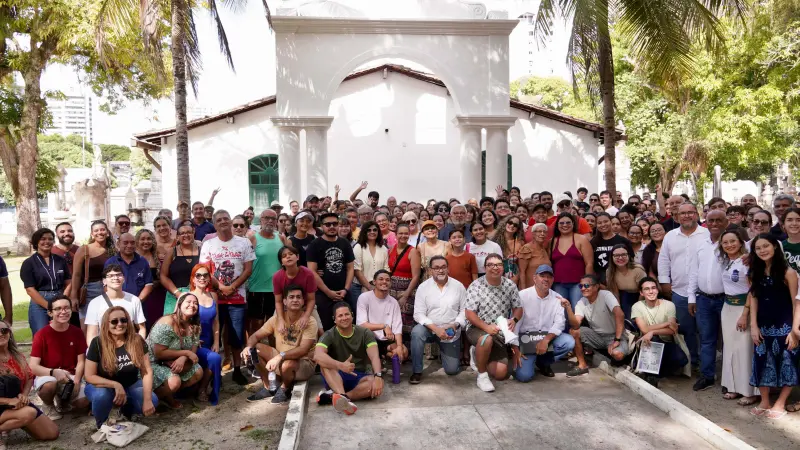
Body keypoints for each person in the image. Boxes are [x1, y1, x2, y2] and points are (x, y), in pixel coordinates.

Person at [199, 210, 255, 386]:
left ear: (230, 221)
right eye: (219, 220)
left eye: (226, 219)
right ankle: (213, 373)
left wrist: (233, 287)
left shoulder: (244, 242)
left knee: (237, 335)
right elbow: (205, 270)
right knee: (212, 335)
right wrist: (222, 287)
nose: (223, 222)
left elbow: (248, 269)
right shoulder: (208, 245)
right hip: (214, 298)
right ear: (214, 224)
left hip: (237, 299)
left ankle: (237, 370)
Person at [747, 234, 799, 419]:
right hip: (763, 327)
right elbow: (754, 299)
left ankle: (780, 403)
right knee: (760, 361)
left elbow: (795, 303)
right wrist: (753, 325)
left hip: (785, 326)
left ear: (775, 247)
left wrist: (794, 330)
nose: (762, 250)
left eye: (766, 246)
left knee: (788, 363)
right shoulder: (754, 272)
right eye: (758, 248)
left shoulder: (788, 272)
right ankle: (764, 401)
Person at [243, 284, 318, 404]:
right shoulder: (277, 319)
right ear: (284, 301)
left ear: (303, 301)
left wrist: (279, 356)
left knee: (287, 365)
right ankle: (269, 387)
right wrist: (247, 347)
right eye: (291, 297)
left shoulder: (310, 321)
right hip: (281, 358)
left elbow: (303, 350)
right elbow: (255, 336)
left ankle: (285, 388)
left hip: (303, 363)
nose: (295, 300)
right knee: (255, 349)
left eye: (298, 297)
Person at [84, 307, 157, 428]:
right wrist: (115, 385)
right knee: (101, 396)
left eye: (123, 320)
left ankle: (126, 412)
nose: (120, 324)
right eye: (114, 321)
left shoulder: (136, 340)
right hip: (102, 386)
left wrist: (147, 400)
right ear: (106, 324)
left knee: (152, 399)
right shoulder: (97, 342)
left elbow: (147, 371)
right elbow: (89, 375)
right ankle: (102, 424)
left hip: (130, 384)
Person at [658, 202, 709, 369]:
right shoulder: (670, 236)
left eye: (690, 212)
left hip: (703, 292)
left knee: (705, 331)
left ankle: (706, 365)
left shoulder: (707, 234)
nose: (687, 216)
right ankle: (691, 362)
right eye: (683, 213)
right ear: (676, 217)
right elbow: (664, 260)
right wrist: (664, 281)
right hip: (679, 291)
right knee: (686, 330)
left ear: (696, 214)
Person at [465, 253, 523, 392]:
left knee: (500, 374)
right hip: (477, 327)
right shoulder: (476, 285)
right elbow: (469, 314)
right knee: (486, 339)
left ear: (503, 267)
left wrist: (514, 320)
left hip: (499, 330)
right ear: (485, 268)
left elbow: (518, 308)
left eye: (498, 264)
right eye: (490, 265)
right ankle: (482, 376)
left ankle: (479, 354)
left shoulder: (510, 285)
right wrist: (486, 327)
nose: (495, 268)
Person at [314, 302, 384, 415]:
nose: (344, 318)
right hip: (336, 376)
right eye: (340, 316)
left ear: (352, 315)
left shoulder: (365, 333)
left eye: (347, 314)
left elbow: (374, 356)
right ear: (334, 319)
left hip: (358, 376)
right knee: (325, 364)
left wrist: (378, 376)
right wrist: (340, 365)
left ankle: (339, 398)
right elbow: (317, 356)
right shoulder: (329, 334)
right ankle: (341, 395)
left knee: (374, 383)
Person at [685, 209, 728, 392]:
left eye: (719, 220)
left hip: (726, 300)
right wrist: (691, 297)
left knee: (728, 341)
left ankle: (729, 380)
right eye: (711, 220)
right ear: (706, 222)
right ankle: (707, 376)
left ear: (726, 223)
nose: (715, 224)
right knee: (706, 339)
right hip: (703, 299)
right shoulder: (701, 245)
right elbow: (694, 272)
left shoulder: (731, 243)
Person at [29, 294, 89, 421]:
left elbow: (81, 361)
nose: (63, 312)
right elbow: (33, 366)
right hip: (48, 375)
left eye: (66, 308)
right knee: (50, 385)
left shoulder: (77, 332)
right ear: (50, 313)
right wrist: (53, 372)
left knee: (83, 402)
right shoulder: (41, 334)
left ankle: (63, 401)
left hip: (70, 376)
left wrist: (77, 380)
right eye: (58, 309)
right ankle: (48, 405)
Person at [511, 264, 576, 382]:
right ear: (534, 278)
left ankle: (543, 362)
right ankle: (531, 360)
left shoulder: (557, 298)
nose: (546, 279)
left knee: (568, 342)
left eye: (549, 277)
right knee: (524, 376)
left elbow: (560, 323)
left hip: (547, 339)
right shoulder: (522, 296)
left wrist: (546, 340)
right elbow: (515, 324)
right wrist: (515, 348)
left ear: (553, 280)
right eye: (542, 276)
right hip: (526, 340)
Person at [0, 318, 60, 444]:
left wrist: (24, 395)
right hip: (4, 403)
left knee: (52, 433)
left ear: (9, 333)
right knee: (29, 413)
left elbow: (29, 378)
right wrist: (9, 401)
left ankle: (14, 422)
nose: (1, 334)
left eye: (4, 330)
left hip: (17, 403)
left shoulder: (17, 356)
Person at [717, 231, 760, 405]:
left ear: (741, 242)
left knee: (745, 350)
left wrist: (745, 314)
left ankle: (750, 391)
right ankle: (733, 386)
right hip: (728, 307)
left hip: (743, 309)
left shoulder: (746, 262)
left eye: (733, 241)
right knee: (731, 349)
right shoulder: (728, 262)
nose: (729, 245)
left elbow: (753, 290)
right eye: (725, 242)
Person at [410, 256, 467, 384]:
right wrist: (436, 329)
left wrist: (455, 324)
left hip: (450, 331)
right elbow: (418, 314)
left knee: (452, 370)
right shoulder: (423, 287)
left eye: (443, 267)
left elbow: (464, 310)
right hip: (429, 329)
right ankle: (417, 371)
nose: (440, 270)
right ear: (430, 270)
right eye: (436, 268)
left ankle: (444, 352)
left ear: (448, 269)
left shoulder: (458, 286)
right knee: (416, 332)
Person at [147, 293, 204, 409]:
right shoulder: (167, 322)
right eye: (188, 302)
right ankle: (149, 399)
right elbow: (159, 353)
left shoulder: (195, 325)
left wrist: (183, 357)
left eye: (195, 303)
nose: (192, 305)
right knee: (174, 381)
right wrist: (186, 353)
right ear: (179, 305)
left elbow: (193, 349)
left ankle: (168, 394)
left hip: (174, 360)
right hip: (152, 362)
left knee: (198, 371)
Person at [631, 278, 690, 387]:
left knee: (681, 359)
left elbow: (672, 330)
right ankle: (651, 375)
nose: (651, 291)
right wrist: (666, 323)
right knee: (653, 339)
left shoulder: (669, 305)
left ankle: (658, 372)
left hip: (667, 342)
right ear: (641, 293)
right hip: (647, 343)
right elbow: (644, 330)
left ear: (657, 290)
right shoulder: (637, 306)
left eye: (653, 288)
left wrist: (652, 331)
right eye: (647, 289)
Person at [568, 274, 631, 376]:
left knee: (617, 355)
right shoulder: (581, 302)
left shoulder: (606, 295)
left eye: (586, 285)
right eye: (581, 286)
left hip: (615, 336)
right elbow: (576, 325)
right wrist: (568, 308)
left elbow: (620, 314)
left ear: (596, 286)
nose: (583, 288)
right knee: (574, 331)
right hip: (598, 336)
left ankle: (621, 352)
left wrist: (617, 339)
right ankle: (582, 365)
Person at [307, 212, 356, 331]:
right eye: (328, 224)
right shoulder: (314, 245)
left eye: (334, 223)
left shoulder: (345, 243)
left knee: (348, 326)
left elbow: (350, 268)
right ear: (322, 226)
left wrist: (346, 289)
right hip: (323, 294)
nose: (332, 227)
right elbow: (312, 271)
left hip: (344, 293)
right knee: (327, 328)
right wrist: (328, 292)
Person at [21, 228, 71, 336]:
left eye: (50, 239)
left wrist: (63, 301)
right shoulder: (29, 263)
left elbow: (68, 282)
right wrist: (50, 307)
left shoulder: (60, 260)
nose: (47, 241)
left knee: (62, 334)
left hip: (60, 298)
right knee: (42, 335)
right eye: (43, 239)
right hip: (40, 302)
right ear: (36, 242)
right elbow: (30, 289)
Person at [247, 209, 287, 337]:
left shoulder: (281, 238)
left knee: (274, 324)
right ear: (261, 220)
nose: (270, 221)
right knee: (256, 323)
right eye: (266, 218)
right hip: (257, 288)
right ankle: (253, 348)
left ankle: (272, 349)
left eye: (273, 218)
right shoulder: (253, 238)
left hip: (277, 289)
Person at [71, 220, 116, 328]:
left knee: (107, 325)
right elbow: (76, 274)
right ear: (92, 234)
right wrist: (74, 296)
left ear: (107, 232)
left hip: (109, 290)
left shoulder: (113, 251)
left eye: (102, 229)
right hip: (88, 291)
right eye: (96, 230)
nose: (99, 232)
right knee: (87, 327)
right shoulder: (84, 249)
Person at [356, 270, 407, 365]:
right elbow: (361, 325)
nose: (384, 282)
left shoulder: (393, 302)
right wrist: (384, 326)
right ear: (374, 282)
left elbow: (397, 327)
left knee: (403, 353)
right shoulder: (364, 297)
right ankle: (380, 356)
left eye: (387, 280)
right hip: (370, 337)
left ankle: (383, 354)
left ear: (390, 283)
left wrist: (399, 346)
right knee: (368, 340)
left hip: (387, 339)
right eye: (381, 279)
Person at [188, 264, 222, 404]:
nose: (202, 278)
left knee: (214, 358)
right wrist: (192, 339)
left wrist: (216, 342)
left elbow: (216, 321)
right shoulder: (188, 296)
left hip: (209, 341)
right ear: (193, 279)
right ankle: (201, 389)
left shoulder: (213, 296)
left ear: (209, 278)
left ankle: (202, 388)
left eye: (205, 275)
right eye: (198, 275)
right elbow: (179, 322)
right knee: (215, 358)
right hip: (194, 343)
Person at [272, 246, 323, 338]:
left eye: (291, 254)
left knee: (320, 331)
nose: (288, 257)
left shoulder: (308, 274)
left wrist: (306, 316)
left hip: (305, 305)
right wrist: (281, 319)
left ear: (297, 257)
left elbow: (311, 299)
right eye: (284, 256)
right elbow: (278, 301)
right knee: (275, 329)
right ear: (281, 262)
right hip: (285, 306)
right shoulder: (277, 276)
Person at [549, 213, 594, 308]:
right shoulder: (552, 241)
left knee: (577, 310)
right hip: (558, 284)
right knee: (561, 311)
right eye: (561, 223)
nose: (565, 225)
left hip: (578, 284)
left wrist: (587, 283)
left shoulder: (582, 239)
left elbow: (589, 263)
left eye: (568, 222)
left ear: (573, 224)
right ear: (557, 225)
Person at [160, 221, 200, 317]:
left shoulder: (201, 250)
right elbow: (163, 276)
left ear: (193, 234)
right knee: (172, 323)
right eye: (182, 233)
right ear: (177, 237)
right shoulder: (171, 252)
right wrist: (177, 293)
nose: (186, 235)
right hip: (175, 295)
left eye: (189, 232)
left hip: (197, 295)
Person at [389, 223, 421, 339]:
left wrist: (406, 295)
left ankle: (406, 347)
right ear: (396, 235)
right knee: (392, 320)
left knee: (405, 321)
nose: (403, 236)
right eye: (400, 233)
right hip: (392, 291)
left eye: (406, 233)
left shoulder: (413, 251)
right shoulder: (391, 249)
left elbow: (416, 276)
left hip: (407, 291)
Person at [352, 221, 389, 313]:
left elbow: (386, 269)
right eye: (369, 230)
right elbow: (357, 270)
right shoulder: (358, 247)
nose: (372, 232)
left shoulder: (383, 249)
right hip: (360, 287)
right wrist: (370, 287)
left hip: (380, 287)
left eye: (375, 230)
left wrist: (380, 287)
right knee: (363, 315)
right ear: (364, 232)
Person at [104, 233, 153, 300]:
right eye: (125, 243)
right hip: (117, 303)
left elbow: (148, 284)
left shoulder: (143, 261)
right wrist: (116, 301)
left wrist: (138, 301)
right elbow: (106, 285)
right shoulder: (111, 262)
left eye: (132, 243)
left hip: (139, 302)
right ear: (118, 244)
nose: (129, 245)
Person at [606, 244, 647, 319]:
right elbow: (615, 293)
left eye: (624, 254)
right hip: (624, 296)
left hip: (641, 295)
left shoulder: (637, 270)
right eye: (616, 255)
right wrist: (619, 309)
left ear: (628, 255)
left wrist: (638, 308)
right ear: (612, 257)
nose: (620, 258)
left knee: (636, 316)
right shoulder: (610, 271)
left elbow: (644, 290)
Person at [590, 213, 631, 286]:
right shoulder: (593, 242)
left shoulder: (623, 241)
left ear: (611, 222)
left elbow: (630, 260)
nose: (603, 224)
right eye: (599, 223)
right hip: (601, 281)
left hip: (620, 278)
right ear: (596, 225)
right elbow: (591, 262)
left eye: (605, 221)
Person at [492, 215, 524, 286]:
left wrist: (517, 277)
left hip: (514, 279)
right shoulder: (494, 241)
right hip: (496, 277)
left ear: (518, 229)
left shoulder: (520, 243)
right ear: (505, 223)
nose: (512, 225)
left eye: (515, 225)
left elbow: (521, 266)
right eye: (510, 222)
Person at [519, 223, 551, 289]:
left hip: (544, 289)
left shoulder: (545, 249)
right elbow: (521, 272)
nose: (542, 234)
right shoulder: (526, 249)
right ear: (533, 234)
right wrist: (523, 291)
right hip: (530, 289)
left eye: (544, 232)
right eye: (539, 231)